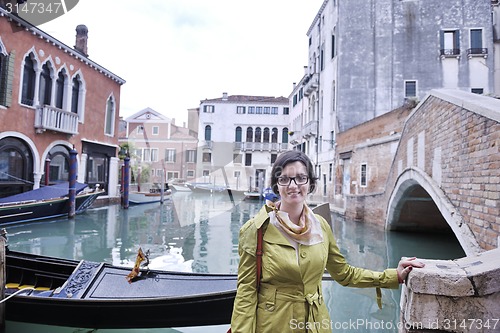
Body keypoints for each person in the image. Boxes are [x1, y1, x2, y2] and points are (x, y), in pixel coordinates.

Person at [230, 150, 424, 333]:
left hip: (316, 324)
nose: (293, 185)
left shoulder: (321, 226)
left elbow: (344, 274)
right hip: (273, 325)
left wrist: (393, 276)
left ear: (310, 183)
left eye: (300, 178)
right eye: (284, 179)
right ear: (276, 185)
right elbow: (246, 293)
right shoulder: (256, 229)